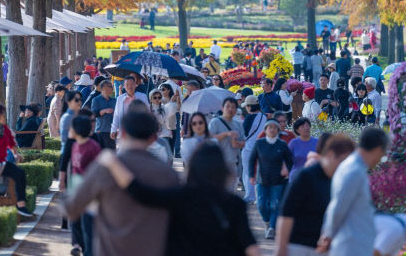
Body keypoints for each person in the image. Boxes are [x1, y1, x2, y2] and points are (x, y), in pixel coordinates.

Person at [97, 143, 260, 256]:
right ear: (222, 170)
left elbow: (141, 193)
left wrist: (113, 163)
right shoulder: (234, 203)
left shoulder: (181, 196)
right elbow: (249, 244)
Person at [62, 110, 180, 256]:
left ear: (122, 133)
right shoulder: (168, 174)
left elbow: (71, 208)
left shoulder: (106, 167)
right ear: (153, 137)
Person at [275, 134, 356, 256]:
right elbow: (286, 214)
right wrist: (281, 249)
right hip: (298, 246)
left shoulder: (340, 181)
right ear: (330, 154)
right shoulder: (306, 176)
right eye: (342, 161)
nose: (345, 167)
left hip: (324, 249)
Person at [317, 127, 389, 256]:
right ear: (378, 149)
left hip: (352, 243)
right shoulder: (354, 171)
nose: (381, 158)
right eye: (383, 154)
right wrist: (328, 235)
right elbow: (338, 206)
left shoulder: (351, 166)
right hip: (351, 245)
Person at [249, 120, 294, 239]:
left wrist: (287, 170)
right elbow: (252, 159)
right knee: (261, 205)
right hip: (261, 179)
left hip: (278, 181)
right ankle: (267, 222)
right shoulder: (259, 143)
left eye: (275, 128)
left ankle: (271, 228)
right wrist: (251, 175)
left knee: (275, 205)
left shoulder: (282, 145)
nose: (272, 130)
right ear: (265, 130)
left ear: (278, 130)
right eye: (269, 127)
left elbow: (290, 160)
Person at [68, 115, 103, 256]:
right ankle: (82, 247)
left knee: (89, 228)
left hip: (90, 193)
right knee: (75, 222)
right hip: (77, 191)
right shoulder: (75, 145)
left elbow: (99, 171)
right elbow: (75, 170)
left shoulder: (93, 147)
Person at [209, 97, 246, 188]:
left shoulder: (238, 124)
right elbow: (209, 139)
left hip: (233, 162)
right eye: (228, 106)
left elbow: (243, 143)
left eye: (233, 107)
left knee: (230, 190)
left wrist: (237, 143)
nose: (230, 109)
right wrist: (226, 134)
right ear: (222, 108)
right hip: (217, 161)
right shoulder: (215, 122)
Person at [241, 95, 267, 204]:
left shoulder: (249, 118)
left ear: (250, 106)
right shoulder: (264, 116)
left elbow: (243, 134)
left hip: (248, 148)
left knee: (247, 172)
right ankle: (258, 195)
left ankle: (249, 195)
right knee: (258, 172)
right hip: (260, 147)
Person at [110, 75, 148, 140]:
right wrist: (113, 130)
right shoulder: (120, 99)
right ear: (124, 86)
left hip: (139, 129)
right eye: (127, 85)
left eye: (132, 84)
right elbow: (116, 115)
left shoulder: (143, 97)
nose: (130, 87)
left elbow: (147, 113)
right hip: (125, 130)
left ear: (135, 85)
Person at [91, 79, 117, 150]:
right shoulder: (96, 100)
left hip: (112, 131)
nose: (112, 88)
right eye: (110, 86)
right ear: (103, 88)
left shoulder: (114, 100)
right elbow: (93, 114)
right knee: (101, 155)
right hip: (101, 131)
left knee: (112, 154)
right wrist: (104, 111)